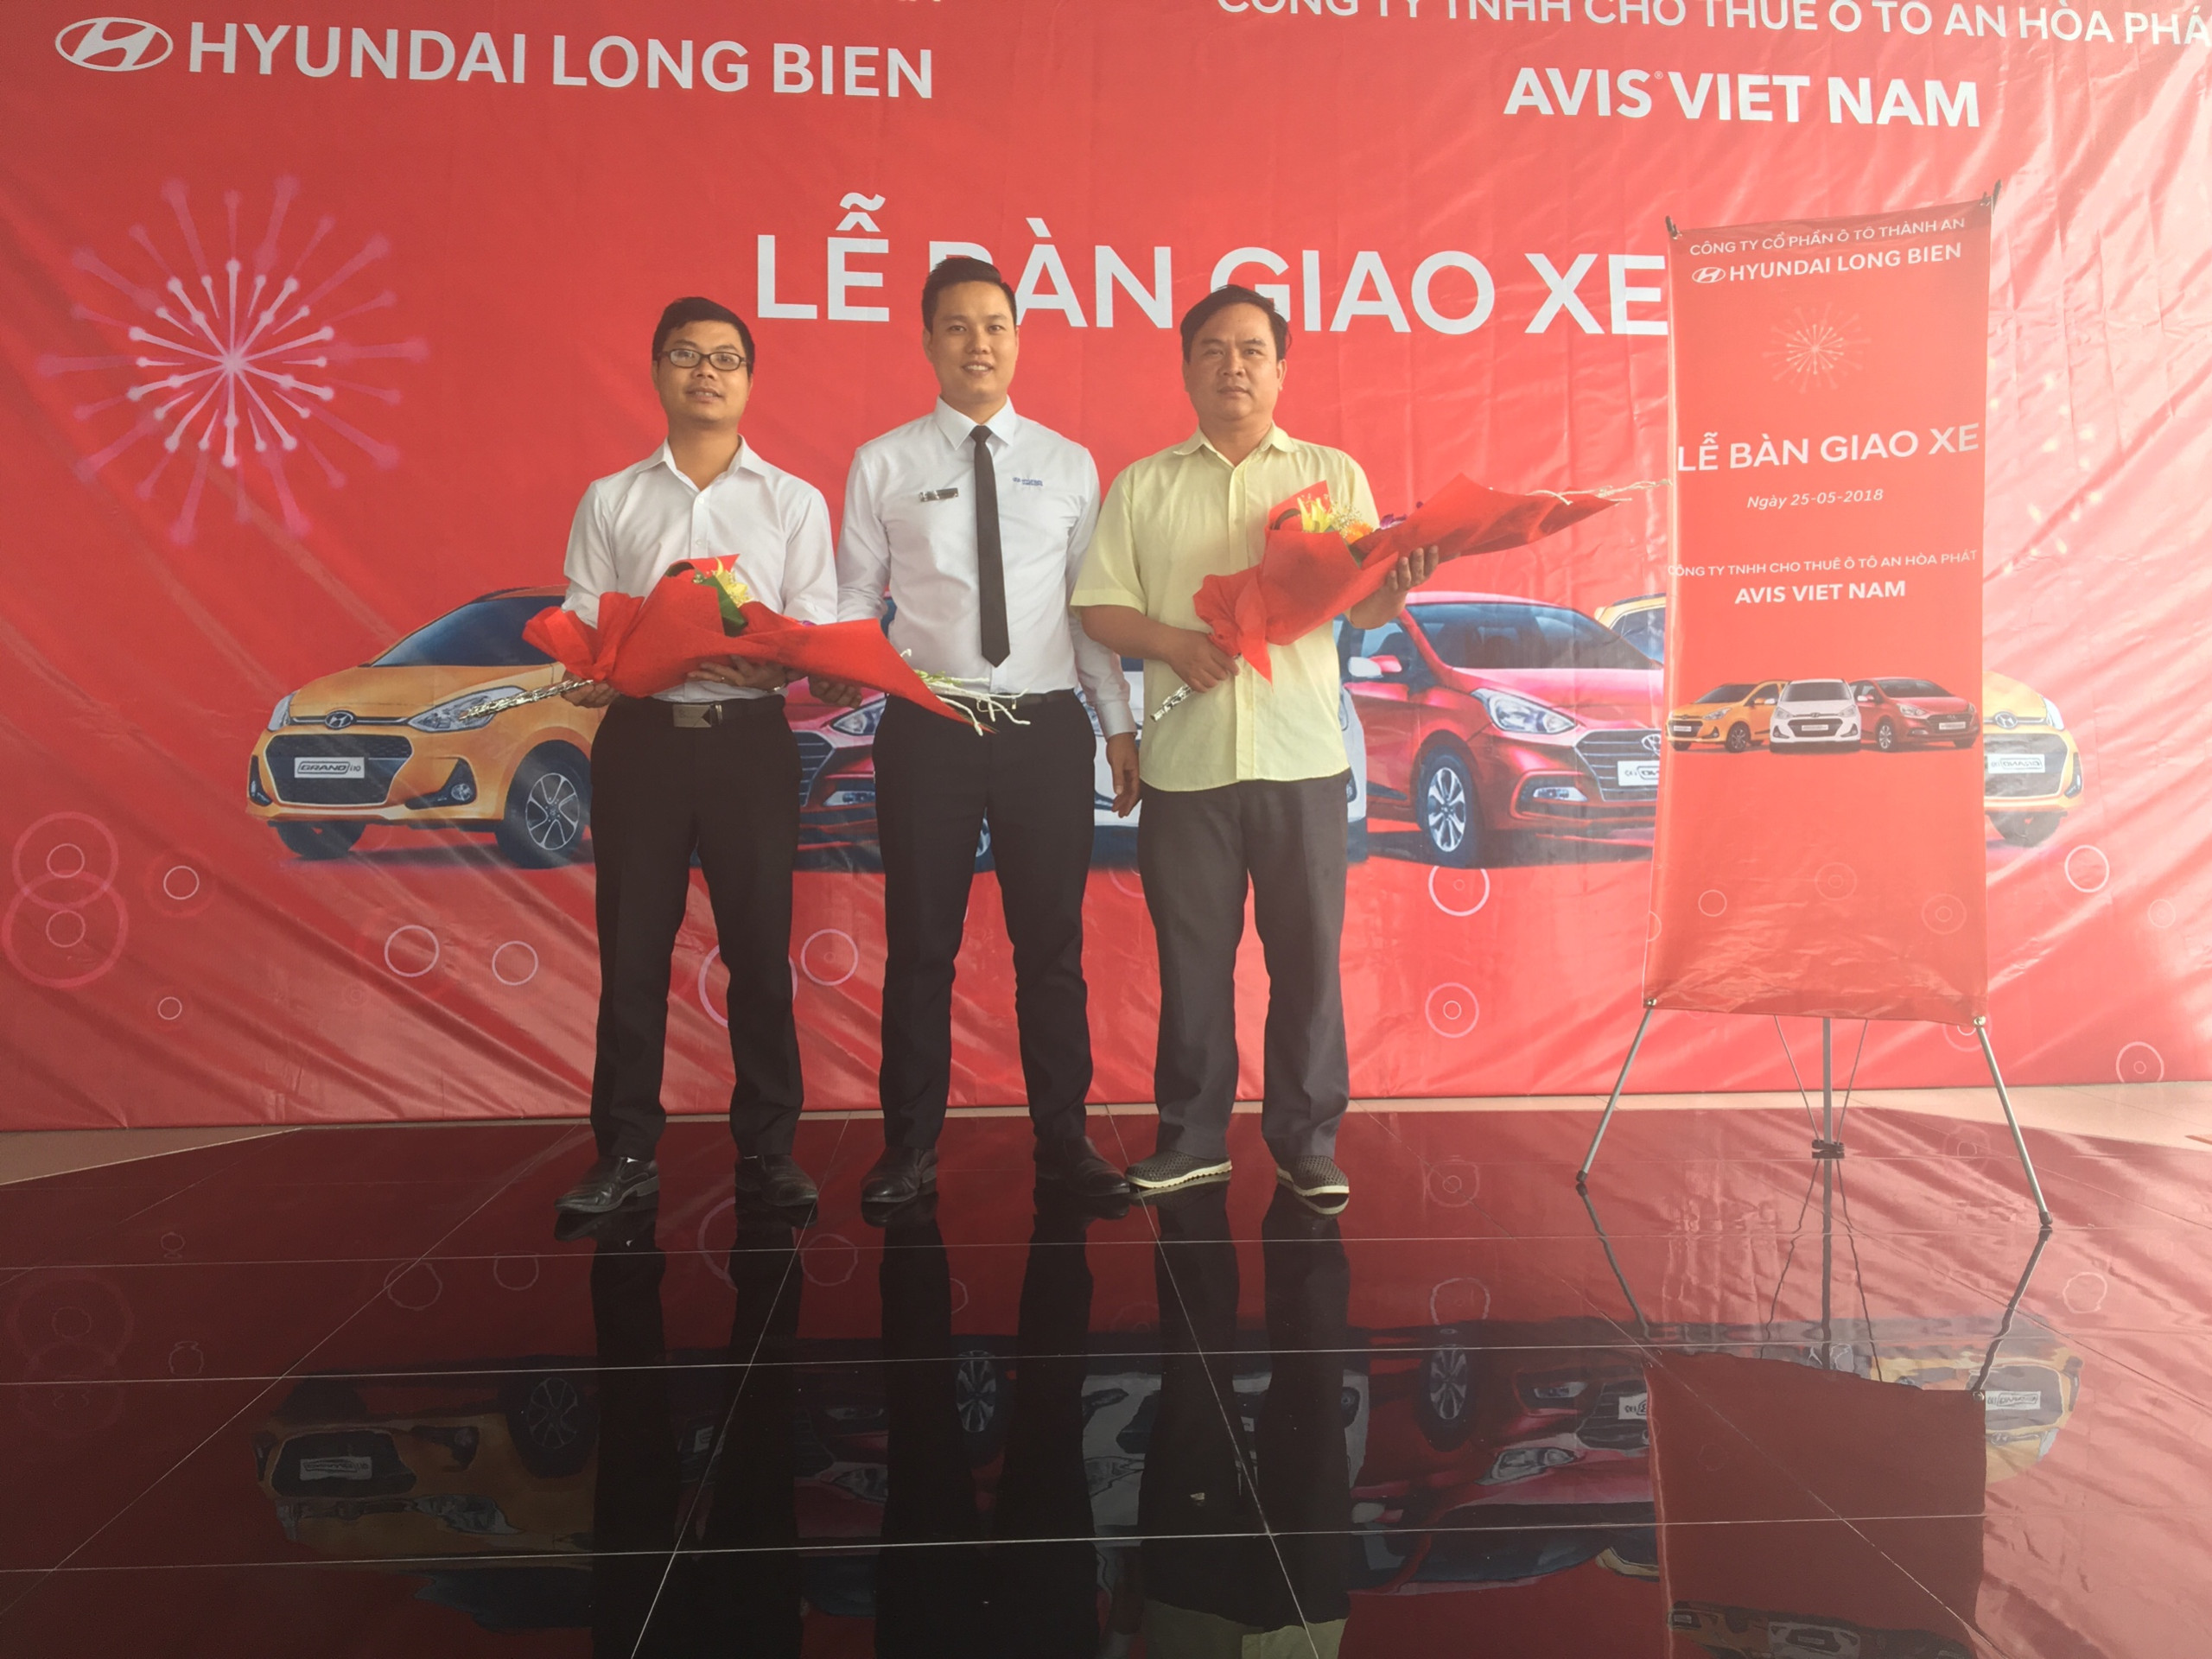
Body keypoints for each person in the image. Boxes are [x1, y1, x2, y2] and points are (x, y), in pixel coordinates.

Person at [1072, 286, 1437, 1208]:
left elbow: (1363, 607)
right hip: (1186, 765)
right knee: (1192, 962)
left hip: (1302, 760)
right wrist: (1173, 643)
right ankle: (1191, 1140)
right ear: (1185, 367)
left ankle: (1306, 1143)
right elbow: (1100, 606)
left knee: (1306, 961)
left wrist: (1399, 584)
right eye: (1213, 350)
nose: (1232, 366)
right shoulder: (1143, 485)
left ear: (1280, 370)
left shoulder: (1331, 475)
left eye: (1251, 351)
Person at [817, 257, 1137, 1214]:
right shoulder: (884, 463)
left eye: (994, 325)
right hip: (931, 728)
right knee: (921, 946)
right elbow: (853, 595)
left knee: (1052, 949)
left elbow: (1088, 612)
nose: (978, 344)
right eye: (956, 327)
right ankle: (908, 1149)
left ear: (1017, 338)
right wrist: (840, 657)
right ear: (927, 342)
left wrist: (1116, 726)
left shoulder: (1069, 463)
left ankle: (1065, 1143)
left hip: (1044, 730)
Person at [553, 297, 834, 1225]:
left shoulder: (791, 500)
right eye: (686, 355)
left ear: (749, 380)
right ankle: (626, 1151)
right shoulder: (613, 498)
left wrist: (775, 659)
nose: (705, 372)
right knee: (633, 953)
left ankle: (770, 1150)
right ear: (657, 372)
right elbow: (586, 617)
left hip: (749, 742)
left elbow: (812, 624)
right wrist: (593, 668)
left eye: (725, 358)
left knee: (759, 952)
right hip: (642, 744)